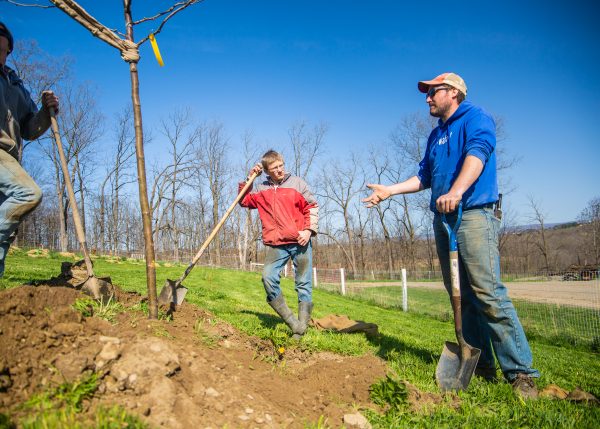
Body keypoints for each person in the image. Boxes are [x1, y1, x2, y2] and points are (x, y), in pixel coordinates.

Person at [363, 72, 540, 399]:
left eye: (433, 92)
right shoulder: (436, 134)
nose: (427, 98)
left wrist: (457, 191)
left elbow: (478, 154)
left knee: (486, 291)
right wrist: (390, 190)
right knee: (461, 295)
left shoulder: (475, 117)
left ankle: (521, 373)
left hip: (473, 212)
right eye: (426, 93)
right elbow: (424, 177)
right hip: (443, 219)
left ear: (454, 92)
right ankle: (481, 363)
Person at [0, 22, 59, 277]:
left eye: (0, 49)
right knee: (27, 193)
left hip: (9, 158)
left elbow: (29, 129)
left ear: (8, 51)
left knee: (5, 233)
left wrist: (46, 112)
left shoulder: (16, 85)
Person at [239, 150, 318, 339]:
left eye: (281, 165)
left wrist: (308, 231)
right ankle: (293, 323)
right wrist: (249, 178)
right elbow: (243, 200)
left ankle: (301, 330)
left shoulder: (297, 184)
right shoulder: (261, 189)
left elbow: (312, 206)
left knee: (303, 284)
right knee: (267, 277)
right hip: (276, 243)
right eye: (275, 168)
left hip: (300, 241)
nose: (280, 170)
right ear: (267, 171)